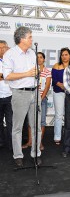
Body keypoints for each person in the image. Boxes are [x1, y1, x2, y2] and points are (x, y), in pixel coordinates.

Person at [3, 26, 42, 167]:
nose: (32, 39)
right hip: (20, 93)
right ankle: (18, 155)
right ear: (22, 39)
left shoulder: (32, 53)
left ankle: (36, 153)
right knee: (17, 127)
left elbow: (35, 72)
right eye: (30, 37)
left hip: (35, 92)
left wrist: (37, 73)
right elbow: (7, 76)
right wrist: (27, 73)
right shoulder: (10, 54)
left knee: (36, 126)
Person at [22, 52, 51, 150]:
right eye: (37, 57)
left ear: (44, 59)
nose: (39, 59)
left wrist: (41, 99)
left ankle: (39, 143)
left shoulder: (47, 72)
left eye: (41, 57)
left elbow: (47, 87)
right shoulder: (31, 71)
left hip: (42, 99)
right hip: (31, 98)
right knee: (31, 121)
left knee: (42, 121)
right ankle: (30, 142)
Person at [51, 47, 70, 145]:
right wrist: (63, 86)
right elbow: (54, 80)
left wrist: (68, 88)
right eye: (62, 55)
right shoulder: (56, 65)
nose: (64, 56)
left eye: (66, 54)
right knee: (59, 115)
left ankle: (68, 136)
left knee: (69, 116)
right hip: (58, 93)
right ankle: (57, 136)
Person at [0, 40, 12, 151]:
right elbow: (10, 76)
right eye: (0, 47)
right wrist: (8, 75)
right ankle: (1, 142)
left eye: (4, 47)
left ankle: (11, 145)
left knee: (11, 122)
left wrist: (5, 76)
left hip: (10, 96)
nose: (3, 49)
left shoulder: (11, 61)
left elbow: (15, 75)